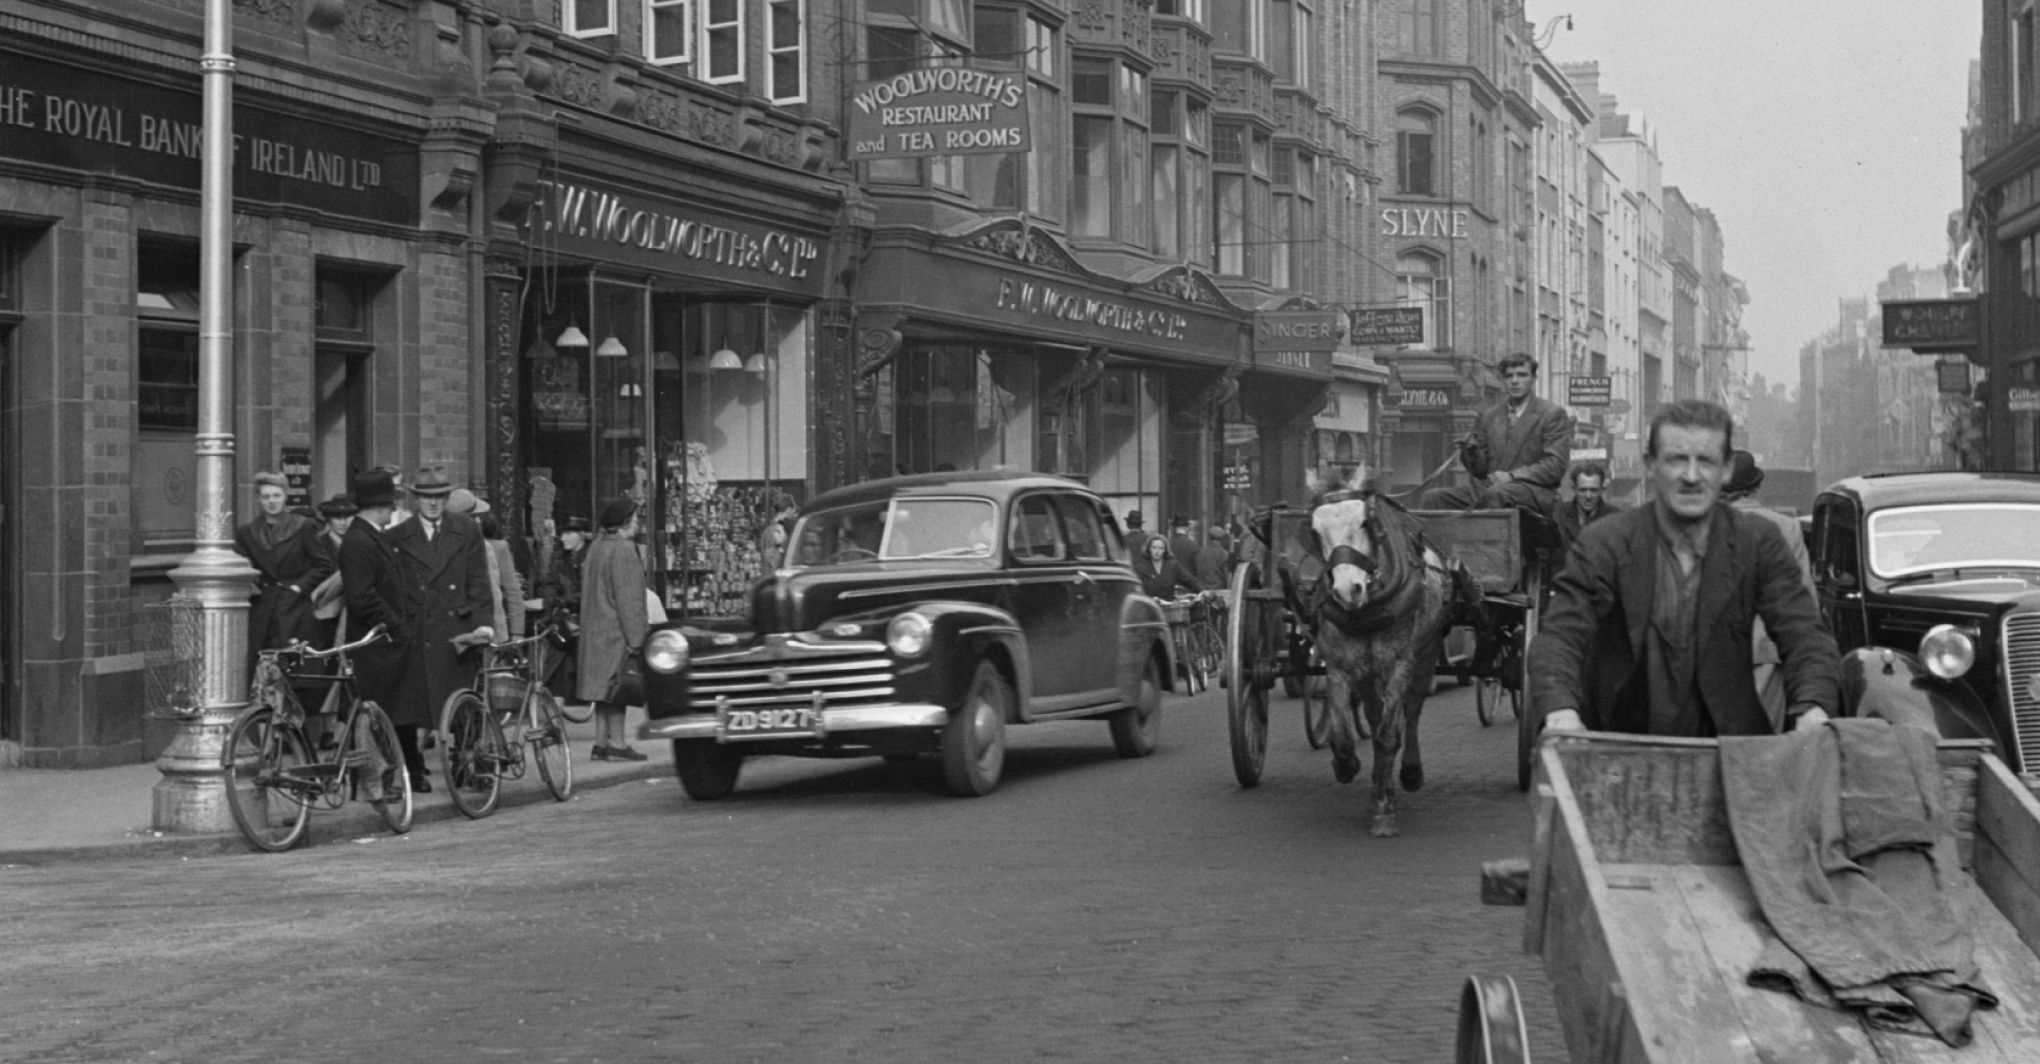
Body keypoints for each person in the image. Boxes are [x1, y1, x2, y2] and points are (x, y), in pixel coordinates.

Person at [1529, 399, 1841, 738]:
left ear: (1724, 471)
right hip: (1622, 748)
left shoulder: (1757, 542)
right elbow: (1560, 635)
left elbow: (1805, 636)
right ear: (1651, 465)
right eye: (1677, 459)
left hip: (1729, 749)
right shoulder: (1605, 542)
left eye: (1705, 461)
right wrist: (1562, 710)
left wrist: (1812, 707)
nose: (1691, 477)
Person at [385, 464, 494, 793]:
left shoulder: (467, 531)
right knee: (408, 705)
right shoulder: (398, 537)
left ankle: (465, 765)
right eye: (426, 497)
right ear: (416, 499)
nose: (433, 504)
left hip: (455, 631)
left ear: (447, 498)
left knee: (463, 702)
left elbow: (479, 582)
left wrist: (484, 625)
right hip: (416, 631)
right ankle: (414, 768)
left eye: (439, 497)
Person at [1722, 449, 1817, 729]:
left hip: (1712, 653)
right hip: (1767, 651)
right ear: (1756, 486)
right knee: (1763, 742)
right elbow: (1804, 600)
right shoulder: (1787, 528)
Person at [335, 468, 412, 804]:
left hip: (383, 642)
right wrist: (393, 624)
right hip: (373, 644)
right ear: (380, 506)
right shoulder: (359, 541)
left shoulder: (369, 535)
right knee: (370, 716)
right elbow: (362, 596)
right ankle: (373, 780)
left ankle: (380, 776)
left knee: (381, 714)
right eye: (390, 503)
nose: (394, 510)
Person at [1420, 353, 1573, 515]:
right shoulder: (1489, 416)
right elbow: (1481, 471)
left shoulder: (1551, 414)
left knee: (1496, 495)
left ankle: (1485, 540)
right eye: (1509, 376)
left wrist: (1512, 477)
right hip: (1493, 492)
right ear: (1503, 380)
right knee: (1433, 498)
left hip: (1533, 493)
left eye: (1522, 375)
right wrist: (1471, 453)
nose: (1515, 381)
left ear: (1534, 379)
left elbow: (1555, 466)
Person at [232, 471, 335, 674]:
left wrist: (298, 587)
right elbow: (243, 569)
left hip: (295, 608)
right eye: (266, 497)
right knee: (262, 669)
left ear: (286, 496)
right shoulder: (247, 532)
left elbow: (324, 566)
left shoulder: (303, 526)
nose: (272, 501)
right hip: (263, 609)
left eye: (276, 496)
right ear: (259, 499)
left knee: (296, 667)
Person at [577, 497, 651, 762]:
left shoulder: (596, 547)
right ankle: (618, 744)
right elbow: (629, 601)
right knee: (618, 690)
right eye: (635, 519)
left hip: (594, 629)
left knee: (601, 692)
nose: (638, 523)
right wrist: (637, 640)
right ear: (624, 522)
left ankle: (600, 744)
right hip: (615, 632)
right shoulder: (623, 549)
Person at [447, 489, 525, 640]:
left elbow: (512, 592)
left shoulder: (494, 548)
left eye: (478, 517)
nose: (478, 521)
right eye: (474, 517)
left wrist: (517, 633)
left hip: (492, 634)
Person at [308, 493, 358, 644]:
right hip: (325, 614)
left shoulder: (359, 544)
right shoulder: (318, 544)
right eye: (337, 517)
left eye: (347, 517)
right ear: (329, 519)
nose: (343, 523)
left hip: (354, 614)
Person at [1552, 463, 1622, 550]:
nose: (1588, 496)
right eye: (1582, 490)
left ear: (1601, 489)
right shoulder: (1558, 514)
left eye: (1593, 490)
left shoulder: (1615, 518)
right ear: (1574, 489)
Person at [1133, 535, 1203, 600]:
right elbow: (1136, 590)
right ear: (1149, 549)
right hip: (1150, 609)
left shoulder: (1173, 565)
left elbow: (1189, 580)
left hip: (1169, 609)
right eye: (1154, 547)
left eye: (1161, 548)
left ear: (1165, 550)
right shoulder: (1141, 568)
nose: (1157, 551)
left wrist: (1203, 591)